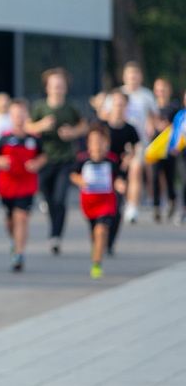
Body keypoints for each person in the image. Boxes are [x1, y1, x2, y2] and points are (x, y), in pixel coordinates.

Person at [25, 67, 86, 255]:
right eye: (54, 85)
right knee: (49, 198)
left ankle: (56, 236)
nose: (57, 88)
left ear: (66, 87)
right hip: (44, 159)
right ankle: (54, 227)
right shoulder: (39, 107)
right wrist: (41, 125)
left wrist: (72, 133)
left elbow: (83, 125)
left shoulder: (71, 108)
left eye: (61, 85)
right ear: (47, 87)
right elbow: (28, 126)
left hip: (65, 158)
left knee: (60, 199)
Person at [0, 99, 45, 271]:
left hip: (26, 186)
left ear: (27, 116)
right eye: (16, 114)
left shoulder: (34, 139)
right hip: (7, 187)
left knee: (22, 218)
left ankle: (19, 254)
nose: (19, 118)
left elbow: (43, 156)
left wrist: (37, 163)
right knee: (10, 221)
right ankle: (14, 242)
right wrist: (0, 161)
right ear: (10, 116)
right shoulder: (4, 138)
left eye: (22, 114)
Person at [71, 123, 126, 279]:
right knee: (94, 232)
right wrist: (80, 180)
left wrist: (120, 185)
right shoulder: (83, 159)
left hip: (107, 202)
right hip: (89, 203)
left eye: (100, 141)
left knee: (101, 230)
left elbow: (118, 178)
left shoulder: (112, 160)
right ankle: (97, 249)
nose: (96, 145)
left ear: (106, 143)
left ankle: (97, 263)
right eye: (93, 141)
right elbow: (73, 174)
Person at [101, 90, 140, 254]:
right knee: (101, 209)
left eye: (121, 104)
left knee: (117, 208)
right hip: (102, 172)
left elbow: (136, 148)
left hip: (119, 173)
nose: (118, 107)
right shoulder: (102, 126)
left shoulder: (129, 129)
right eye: (115, 104)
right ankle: (99, 237)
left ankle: (110, 242)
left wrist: (130, 157)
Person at [120, 62, 158, 223]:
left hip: (138, 142)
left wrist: (151, 125)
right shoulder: (118, 94)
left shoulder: (146, 95)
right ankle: (121, 200)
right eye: (130, 75)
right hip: (120, 142)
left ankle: (132, 206)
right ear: (124, 76)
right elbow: (106, 115)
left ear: (140, 77)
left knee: (135, 170)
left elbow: (153, 116)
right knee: (122, 174)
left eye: (136, 75)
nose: (133, 78)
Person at [151, 77, 180, 222]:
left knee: (169, 177)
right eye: (159, 89)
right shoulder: (152, 108)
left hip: (169, 148)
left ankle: (172, 200)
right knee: (155, 176)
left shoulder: (174, 108)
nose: (161, 92)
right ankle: (156, 206)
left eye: (164, 89)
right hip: (155, 148)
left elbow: (179, 126)